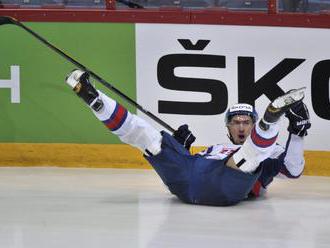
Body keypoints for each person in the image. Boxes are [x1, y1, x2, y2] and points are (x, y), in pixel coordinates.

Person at [65, 69, 311, 206]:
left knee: (248, 158)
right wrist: (180, 149)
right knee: (150, 139)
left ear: (252, 125)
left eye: (247, 122)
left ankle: (271, 119)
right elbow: (192, 168)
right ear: (227, 127)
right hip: (186, 181)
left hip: (227, 187)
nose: (241, 127)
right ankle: (95, 100)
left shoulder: (270, 152)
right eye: (235, 122)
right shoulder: (215, 148)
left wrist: (297, 135)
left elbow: (293, 170)